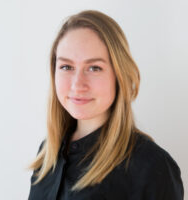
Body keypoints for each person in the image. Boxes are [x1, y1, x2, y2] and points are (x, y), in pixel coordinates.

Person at [27, 10, 184, 200]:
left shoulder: (152, 167)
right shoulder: (47, 153)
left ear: (119, 76)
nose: (77, 84)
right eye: (66, 67)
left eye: (94, 68)